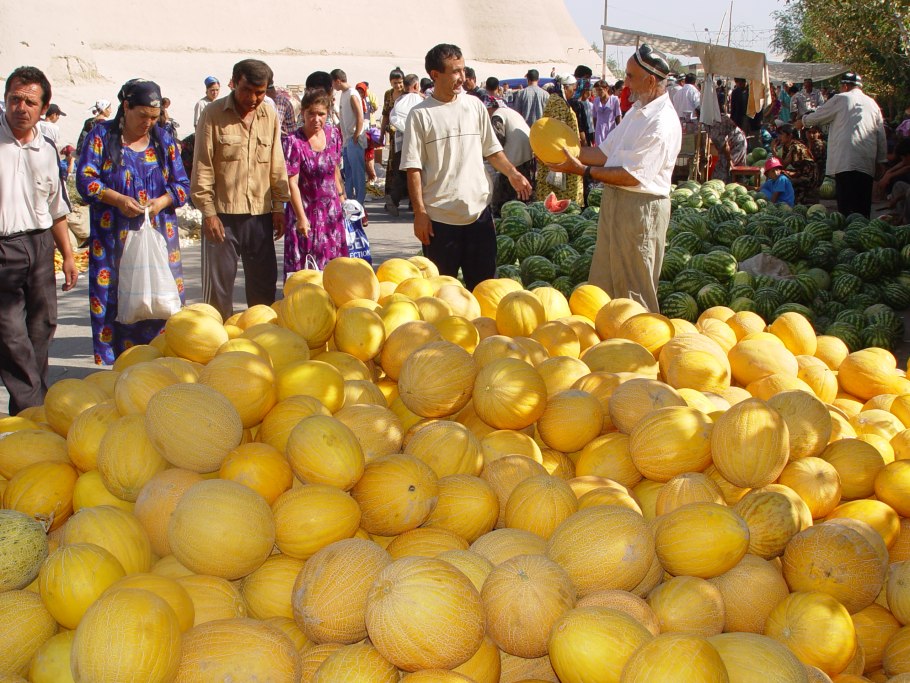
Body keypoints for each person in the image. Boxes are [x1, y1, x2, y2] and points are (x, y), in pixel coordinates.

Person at [542, 44, 681, 312]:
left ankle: (636, 347)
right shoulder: (637, 112)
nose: (624, 82)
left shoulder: (661, 122)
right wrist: (563, 152)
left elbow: (631, 176)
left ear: (650, 80)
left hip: (641, 208)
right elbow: (605, 153)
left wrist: (580, 171)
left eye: (630, 76)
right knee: (604, 284)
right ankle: (604, 347)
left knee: (634, 289)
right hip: (616, 200)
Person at [75, 79, 189, 365]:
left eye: (154, 117)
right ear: (125, 107)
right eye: (143, 116)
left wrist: (161, 202)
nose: (148, 123)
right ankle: (120, 373)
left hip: (157, 238)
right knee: (116, 302)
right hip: (113, 243)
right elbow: (85, 180)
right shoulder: (101, 136)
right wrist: (117, 199)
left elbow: (183, 186)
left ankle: (162, 369)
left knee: (160, 302)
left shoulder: (164, 140)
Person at [401, 43, 532, 289]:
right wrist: (420, 213)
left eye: (463, 70)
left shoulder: (474, 106)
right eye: (454, 72)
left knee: (484, 291)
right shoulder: (420, 115)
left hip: (478, 218)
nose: (462, 77)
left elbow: (492, 150)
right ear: (435, 75)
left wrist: (513, 173)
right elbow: (413, 168)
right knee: (442, 295)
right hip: (439, 221)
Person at [0, 66, 77, 414]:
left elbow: (56, 207)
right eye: (15, 99)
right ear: (5, 100)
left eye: (30, 101)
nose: (21, 107)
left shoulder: (47, 148)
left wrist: (69, 254)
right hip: (3, 249)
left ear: (43, 108)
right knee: (10, 333)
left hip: (41, 246)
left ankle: (30, 411)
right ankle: (34, 409)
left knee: (41, 328)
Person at [191, 58, 290, 321]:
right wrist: (208, 213)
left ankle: (263, 344)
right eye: (247, 90)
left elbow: (276, 161)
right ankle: (218, 351)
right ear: (234, 83)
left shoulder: (268, 114)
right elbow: (203, 165)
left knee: (263, 290)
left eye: (260, 92)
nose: (254, 98)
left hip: (260, 215)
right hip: (222, 217)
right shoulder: (212, 114)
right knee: (218, 294)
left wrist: (279, 206)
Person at [800, 72, 887, 218]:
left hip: (845, 161)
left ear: (845, 86)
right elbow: (881, 135)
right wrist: (881, 160)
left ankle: (849, 234)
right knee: (863, 205)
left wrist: (803, 121)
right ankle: (862, 234)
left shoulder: (841, 99)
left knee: (846, 208)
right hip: (866, 161)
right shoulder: (872, 103)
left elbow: (818, 116)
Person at [282, 88, 347, 275]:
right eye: (311, 113)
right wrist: (301, 218)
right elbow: (291, 183)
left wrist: (343, 200)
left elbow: (334, 169)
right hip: (306, 212)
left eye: (321, 114)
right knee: (306, 269)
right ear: (302, 112)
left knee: (335, 272)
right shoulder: (294, 142)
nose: (316, 119)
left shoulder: (333, 134)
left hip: (331, 214)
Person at [534, 74, 583, 204]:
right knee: (561, 197)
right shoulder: (558, 103)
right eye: (573, 88)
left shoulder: (558, 101)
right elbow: (557, 136)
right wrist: (561, 162)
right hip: (561, 159)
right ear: (566, 88)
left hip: (561, 157)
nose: (574, 92)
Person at [484, 94, 533, 215]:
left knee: (505, 201)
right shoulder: (511, 112)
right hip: (528, 157)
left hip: (513, 161)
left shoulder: (497, 116)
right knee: (523, 194)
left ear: (489, 108)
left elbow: (496, 143)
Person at [386, 74, 424, 216]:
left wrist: (406, 130)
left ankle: (394, 201)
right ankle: (415, 205)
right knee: (417, 175)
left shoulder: (399, 100)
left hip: (400, 144)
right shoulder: (420, 100)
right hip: (418, 145)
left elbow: (394, 119)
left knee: (401, 174)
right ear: (416, 86)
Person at [331, 69, 366, 207]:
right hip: (347, 140)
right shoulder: (344, 95)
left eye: (333, 82)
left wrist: (357, 135)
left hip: (353, 139)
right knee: (349, 174)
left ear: (338, 81)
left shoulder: (352, 94)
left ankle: (360, 203)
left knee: (357, 174)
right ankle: (351, 202)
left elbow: (359, 116)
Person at [771, 123, 818, 204]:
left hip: (808, 175)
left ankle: (773, 201)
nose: (779, 137)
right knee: (777, 173)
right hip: (801, 172)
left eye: (781, 134)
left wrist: (773, 150)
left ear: (790, 136)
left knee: (781, 174)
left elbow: (783, 165)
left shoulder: (795, 146)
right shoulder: (787, 146)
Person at [707, 113, 747, 182]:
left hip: (736, 144)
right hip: (738, 140)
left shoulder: (715, 126)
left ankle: (733, 185)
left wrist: (729, 160)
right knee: (731, 169)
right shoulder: (715, 118)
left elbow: (724, 146)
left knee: (723, 173)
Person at [591, 80, 621, 146]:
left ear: (606, 89)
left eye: (600, 90)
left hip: (610, 129)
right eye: (597, 90)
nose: (598, 92)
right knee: (599, 150)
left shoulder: (614, 100)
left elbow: (618, 116)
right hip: (599, 130)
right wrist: (595, 130)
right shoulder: (596, 101)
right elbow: (594, 117)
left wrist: (620, 130)